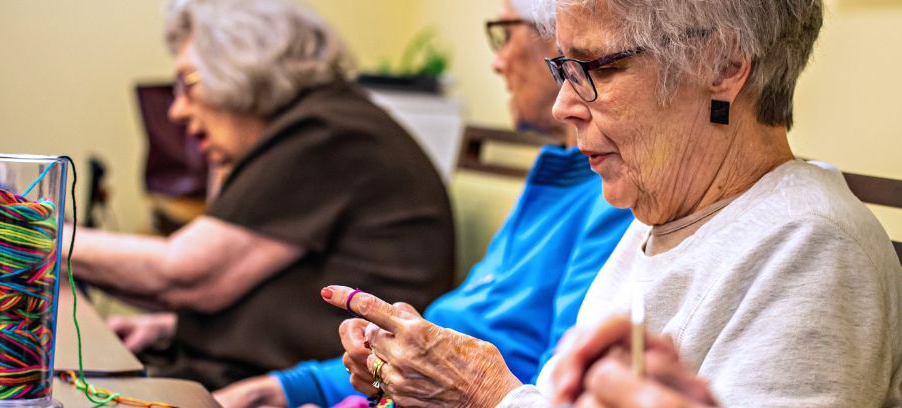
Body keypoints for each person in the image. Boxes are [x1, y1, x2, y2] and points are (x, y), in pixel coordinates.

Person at [325, 0, 902, 406]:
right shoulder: (660, 223)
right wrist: (417, 382)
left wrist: (485, 392)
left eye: (596, 68)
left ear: (725, 66)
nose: (563, 104)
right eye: (562, 66)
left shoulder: (813, 251)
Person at [211, 0, 633, 406]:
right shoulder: (557, 178)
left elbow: (548, 388)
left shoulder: (613, 195)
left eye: (506, 35)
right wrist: (290, 387)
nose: (497, 62)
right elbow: (449, 342)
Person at [70, 0, 455, 391]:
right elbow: (261, 290)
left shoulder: (325, 131)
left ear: (239, 67)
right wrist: (170, 326)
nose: (177, 110)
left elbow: (183, 276)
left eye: (189, 84)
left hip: (299, 390)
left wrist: (33, 233)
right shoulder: (318, 122)